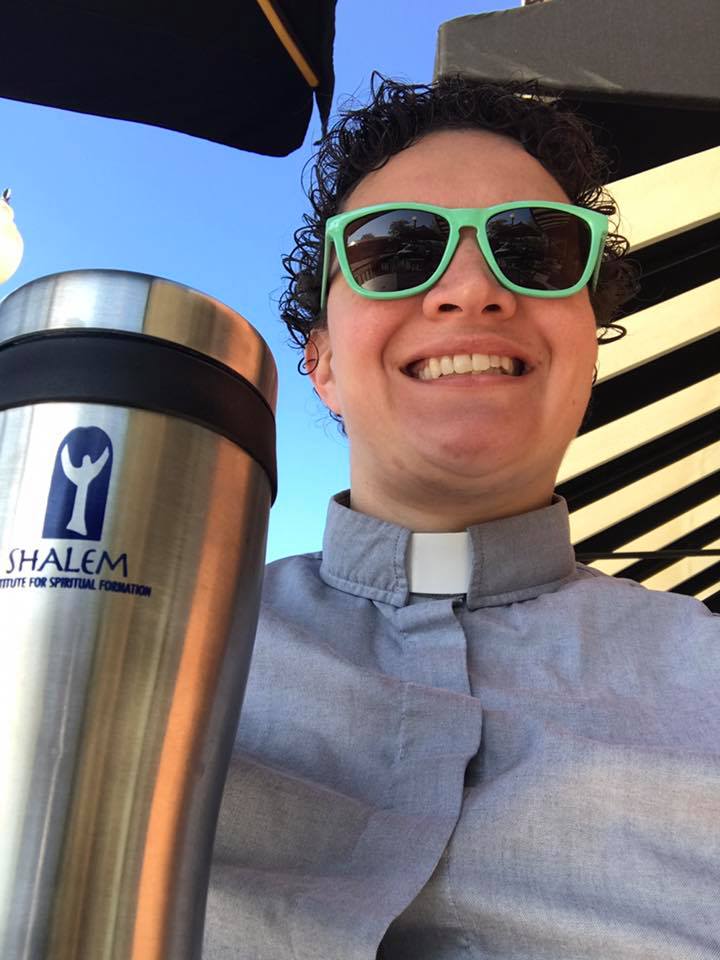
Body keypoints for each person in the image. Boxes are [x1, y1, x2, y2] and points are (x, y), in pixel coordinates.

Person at [203, 75, 720, 960]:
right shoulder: (146, 649)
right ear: (322, 365)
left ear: (589, 348)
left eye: (535, 248)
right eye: (399, 249)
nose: (472, 290)